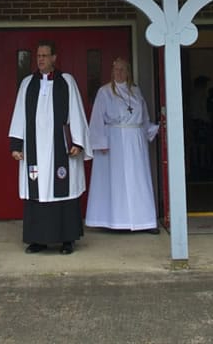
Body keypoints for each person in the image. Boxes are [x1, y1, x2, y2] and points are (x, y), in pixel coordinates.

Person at [9, 39, 91, 254]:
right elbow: (19, 114)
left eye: (45, 55)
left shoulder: (66, 81)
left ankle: (67, 240)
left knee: (64, 189)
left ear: (54, 58)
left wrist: (77, 142)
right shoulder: (27, 83)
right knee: (37, 192)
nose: (40, 59)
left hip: (60, 148)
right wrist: (16, 145)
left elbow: (76, 111)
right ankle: (38, 240)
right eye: (38, 56)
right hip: (34, 149)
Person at [86, 57, 161, 232]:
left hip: (135, 141)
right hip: (115, 141)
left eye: (122, 70)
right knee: (115, 181)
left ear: (128, 72)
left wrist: (153, 129)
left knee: (138, 179)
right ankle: (113, 221)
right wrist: (100, 141)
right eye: (116, 70)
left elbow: (144, 117)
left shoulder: (136, 91)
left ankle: (144, 221)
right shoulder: (104, 92)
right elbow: (97, 118)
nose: (118, 73)